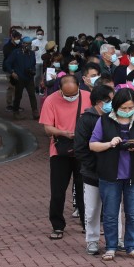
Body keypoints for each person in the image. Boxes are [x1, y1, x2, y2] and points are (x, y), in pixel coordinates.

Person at [90, 87, 134, 261]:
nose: (128, 111)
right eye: (124, 108)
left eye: (131, 108)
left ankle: (131, 246)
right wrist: (110, 143)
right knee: (110, 213)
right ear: (116, 106)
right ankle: (111, 246)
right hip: (110, 174)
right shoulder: (104, 120)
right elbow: (92, 145)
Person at [40, 75, 91, 239]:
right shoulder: (50, 100)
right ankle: (57, 226)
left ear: (79, 87)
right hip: (60, 150)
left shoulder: (88, 96)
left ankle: (87, 223)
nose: (71, 98)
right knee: (57, 191)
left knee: (85, 189)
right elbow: (47, 128)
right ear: (60, 89)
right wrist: (63, 133)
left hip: (83, 150)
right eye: (67, 95)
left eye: (74, 94)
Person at [74, 84, 114, 256]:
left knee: (114, 210)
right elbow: (81, 149)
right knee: (92, 210)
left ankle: (116, 241)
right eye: (109, 100)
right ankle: (92, 240)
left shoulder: (115, 119)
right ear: (99, 102)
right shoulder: (86, 120)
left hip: (112, 172)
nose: (112, 104)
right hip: (92, 173)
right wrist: (96, 165)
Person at [4, 36, 39, 119]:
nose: (28, 45)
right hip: (19, 77)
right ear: (22, 43)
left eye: (29, 44)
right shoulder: (16, 53)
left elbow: (33, 64)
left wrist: (33, 71)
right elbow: (7, 63)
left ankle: (35, 112)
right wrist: (12, 72)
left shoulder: (31, 53)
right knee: (18, 95)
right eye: (26, 43)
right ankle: (16, 111)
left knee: (32, 94)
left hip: (29, 78)